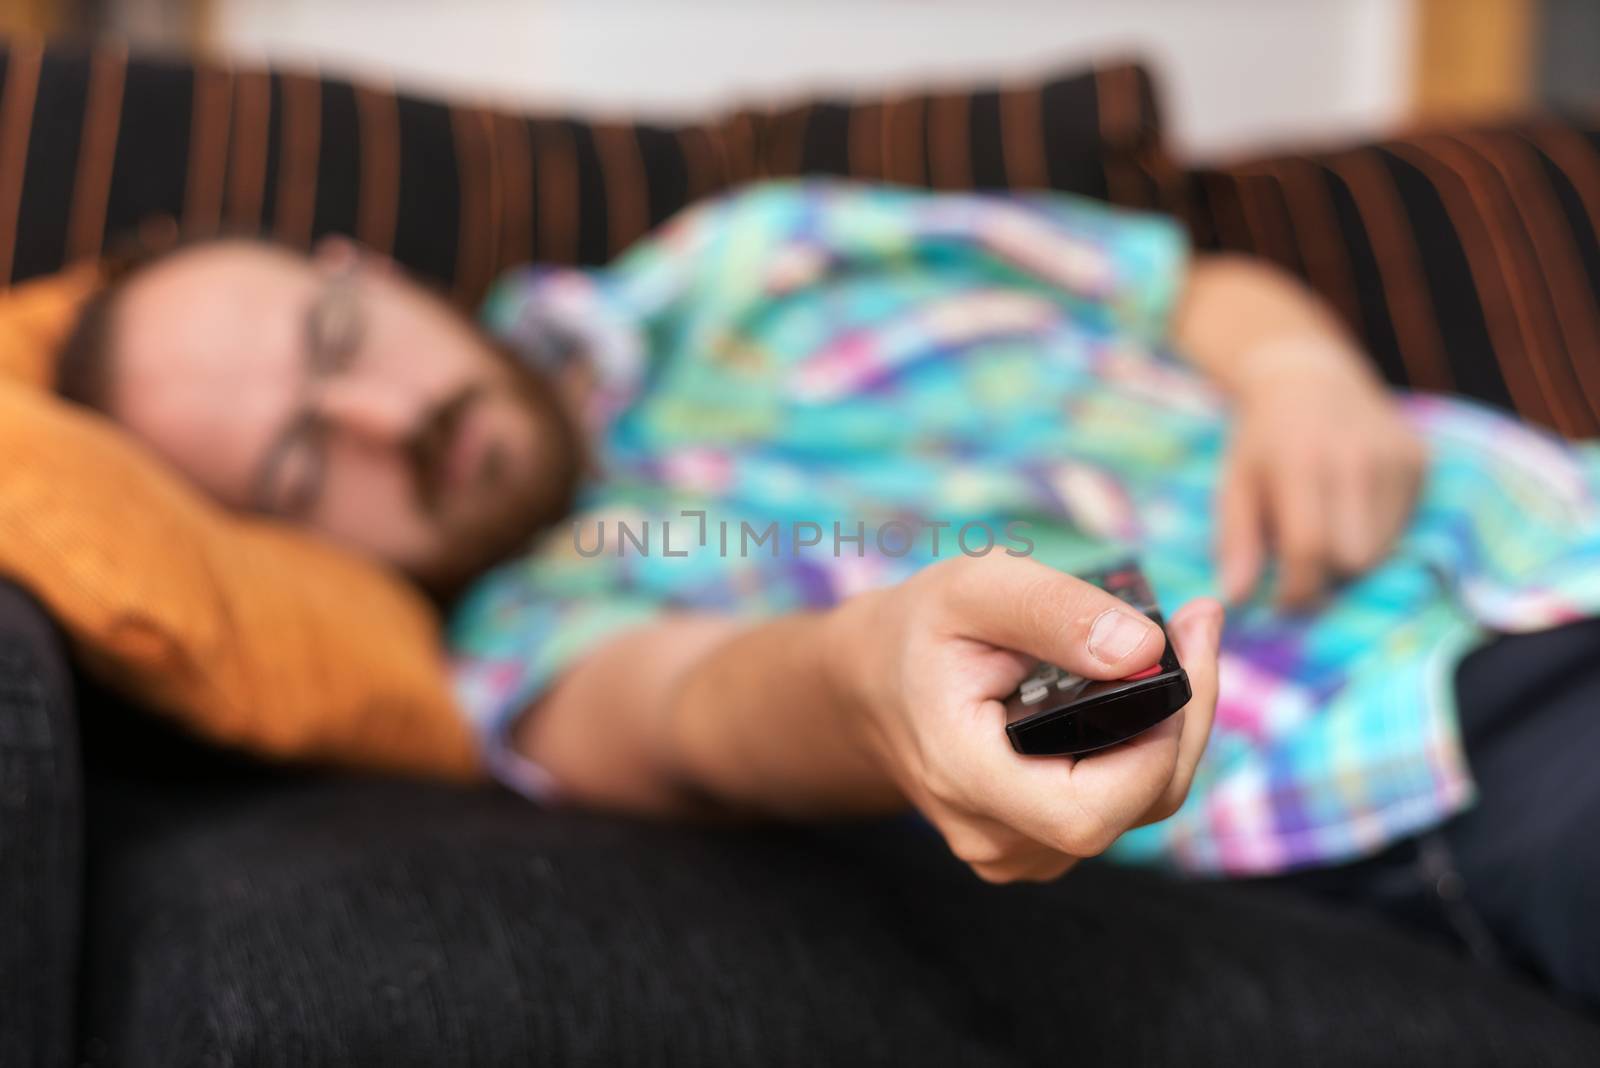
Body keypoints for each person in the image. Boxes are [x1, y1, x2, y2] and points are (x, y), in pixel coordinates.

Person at [53, 181, 1599, 1005]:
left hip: (1546, 511)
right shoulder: (529, 644)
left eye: (338, 344)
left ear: (363, 266)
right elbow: (701, 714)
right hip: (1442, 749)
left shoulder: (759, 250)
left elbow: (1182, 289)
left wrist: (1298, 371)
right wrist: (879, 673)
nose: (395, 422)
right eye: (302, 467)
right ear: (291, 554)